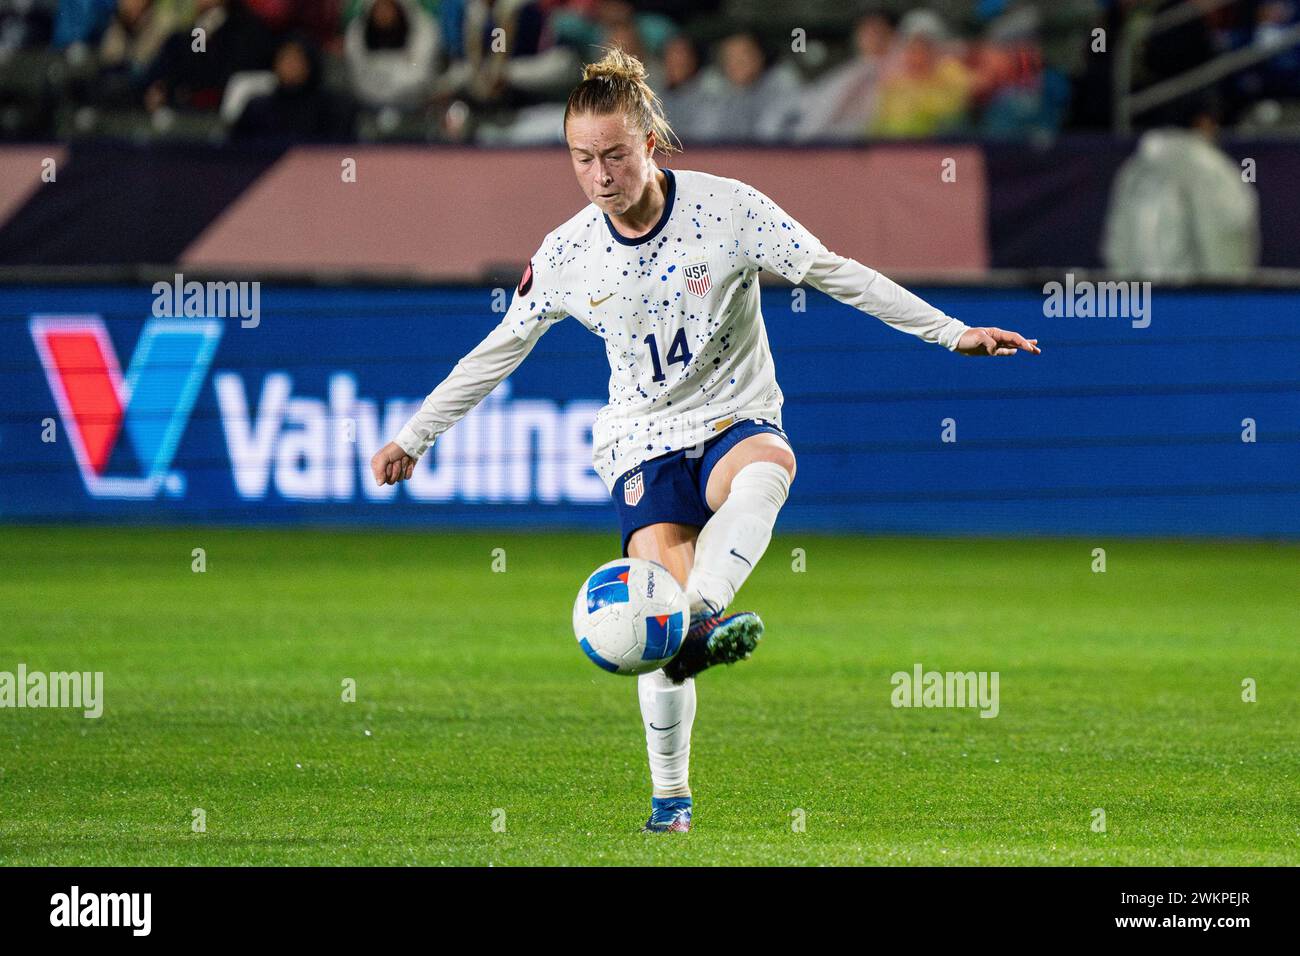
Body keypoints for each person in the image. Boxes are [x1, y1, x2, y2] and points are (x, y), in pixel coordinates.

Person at [369, 47, 1040, 834]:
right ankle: (671, 797)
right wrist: (417, 435)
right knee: (656, 620)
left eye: (614, 154)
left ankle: (705, 617)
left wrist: (952, 333)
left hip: (732, 414)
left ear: (649, 142)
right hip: (641, 441)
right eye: (582, 159)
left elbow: (835, 271)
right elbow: (499, 350)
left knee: (767, 469)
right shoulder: (566, 253)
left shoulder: (730, 211)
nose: (600, 175)